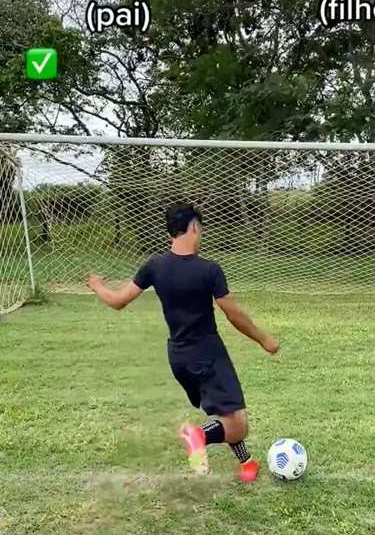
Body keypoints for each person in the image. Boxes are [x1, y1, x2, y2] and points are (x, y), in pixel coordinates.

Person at [88, 202, 279, 482]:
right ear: (194, 227)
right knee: (238, 424)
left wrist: (97, 285)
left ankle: (246, 462)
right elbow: (233, 314)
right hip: (207, 353)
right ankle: (197, 436)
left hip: (178, 357)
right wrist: (263, 339)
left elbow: (118, 301)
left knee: (225, 412)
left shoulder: (154, 266)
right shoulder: (209, 270)